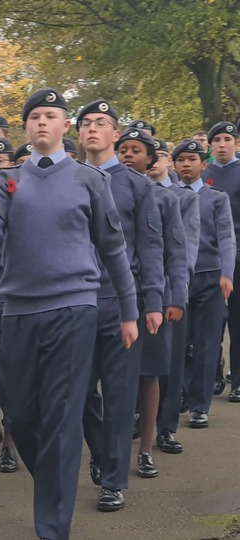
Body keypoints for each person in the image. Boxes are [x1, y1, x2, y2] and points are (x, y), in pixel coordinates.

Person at [0, 89, 138, 540]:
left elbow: (112, 248)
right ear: (25, 129)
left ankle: (53, 526)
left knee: (64, 416)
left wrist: (129, 309)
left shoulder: (90, 180)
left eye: (51, 116)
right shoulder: (5, 180)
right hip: (20, 312)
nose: (42, 123)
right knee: (21, 415)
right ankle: (53, 479)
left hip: (75, 307)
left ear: (66, 127)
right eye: (34, 117)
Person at [76, 99, 164, 511]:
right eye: (87, 123)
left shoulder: (137, 185)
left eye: (102, 123)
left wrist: (154, 300)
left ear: (115, 135)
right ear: (78, 135)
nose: (93, 128)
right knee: (76, 393)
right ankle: (102, 451)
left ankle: (113, 479)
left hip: (119, 303)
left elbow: (150, 246)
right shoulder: (66, 179)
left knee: (119, 391)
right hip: (72, 302)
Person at [117, 128, 187, 477]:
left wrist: (176, 297)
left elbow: (175, 252)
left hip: (151, 298)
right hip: (113, 296)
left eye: (136, 150)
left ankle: (146, 447)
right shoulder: (105, 191)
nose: (128, 155)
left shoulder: (166, 199)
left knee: (149, 374)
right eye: (123, 149)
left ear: (151, 159)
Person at [174, 139, 235, 429]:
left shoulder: (216, 198)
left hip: (210, 277)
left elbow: (226, 237)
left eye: (192, 159)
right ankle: (182, 392)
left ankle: (200, 405)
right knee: (178, 343)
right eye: (181, 159)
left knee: (207, 343)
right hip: (177, 280)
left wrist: (227, 273)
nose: (186, 164)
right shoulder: (166, 196)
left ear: (203, 164)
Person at [149, 138, 200, 454]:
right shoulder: (130, 192)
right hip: (140, 291)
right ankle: (137, 419)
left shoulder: (182, 198)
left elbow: (188, 246)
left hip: (170, 289)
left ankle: (165, 428)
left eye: (160, 154)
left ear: (168, 160)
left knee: (170, 362)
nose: (153, 160)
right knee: (140, 365)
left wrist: (179, 288)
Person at [202, 121, 240, 402]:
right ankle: (212, 374)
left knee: (238, 320)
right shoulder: (204, 173)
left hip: (238, 254)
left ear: (236, 143)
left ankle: (238, 379)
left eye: (228, 139)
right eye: (217, 140)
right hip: (209, 258)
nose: (222, 144)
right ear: (210, 145)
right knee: (211, 321)